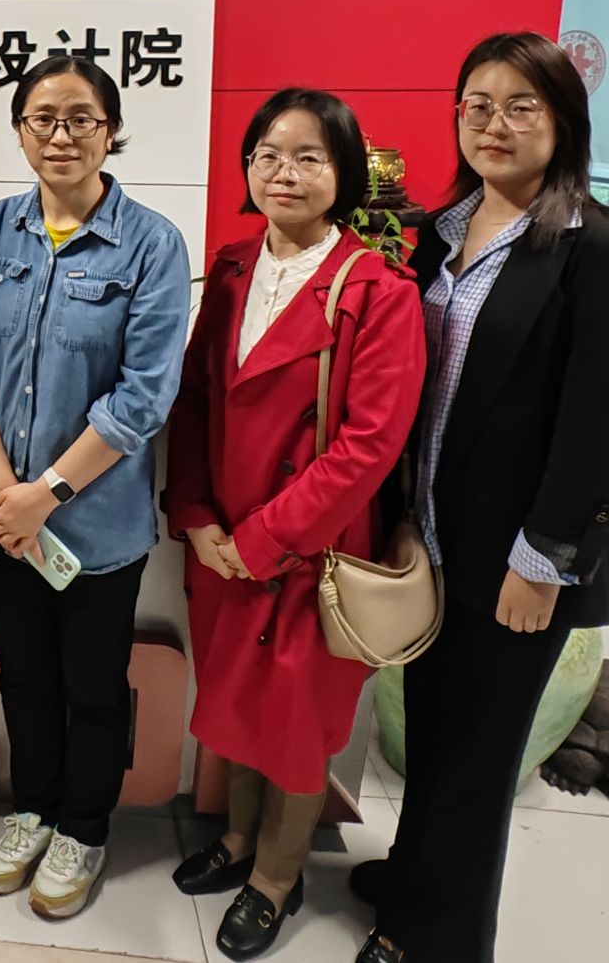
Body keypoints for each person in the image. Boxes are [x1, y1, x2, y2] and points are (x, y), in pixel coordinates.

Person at [351, 33, 609, 963]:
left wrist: (545, 559)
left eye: (522, 105)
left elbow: (607, 428)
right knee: (432, 724)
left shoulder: (605, 249)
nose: (495, 123)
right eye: (477, 104)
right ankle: (413, 875)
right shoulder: (437, 234)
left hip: (518, 553)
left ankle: (439, 937)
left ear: (563, 120)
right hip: (434, 533)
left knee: (480, 754)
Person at [165, 89, 425, 960]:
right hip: (223, 541)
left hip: (311, 548)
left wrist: (265, 538)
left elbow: (369, 445)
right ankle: (239, 838)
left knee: (298, 723)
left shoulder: (379, 289)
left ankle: (278, 876)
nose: (286, 172)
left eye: (310, 157)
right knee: (238, 701)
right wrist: (195, 514)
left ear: (343, 173)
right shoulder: (234, 268)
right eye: (269, 154)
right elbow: (196, 399)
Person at [0, 55, 188, 921]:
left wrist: (43, 493)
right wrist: (3, 489)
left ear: (110, 130)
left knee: (93, 684)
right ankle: (34, 810)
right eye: (42, 118)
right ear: (19, 130)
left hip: (94, 523)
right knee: (23, 676)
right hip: (0, 514)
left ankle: (83, 827)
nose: (61, 135)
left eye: (81, 117)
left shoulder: (152, 243)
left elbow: (142, 399)